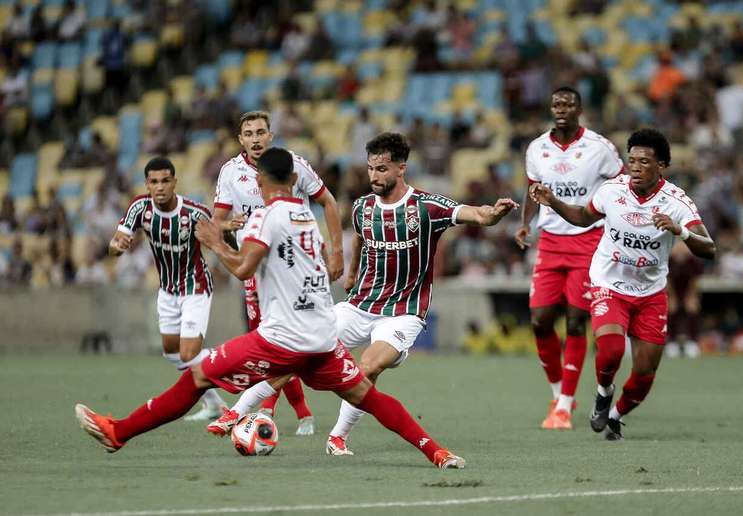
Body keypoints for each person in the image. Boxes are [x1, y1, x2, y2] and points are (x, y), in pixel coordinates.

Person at [75, 148, 465, 470]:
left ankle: (119, 432)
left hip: (284, 337)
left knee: (197, 377)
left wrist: (214, 241)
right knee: (368, 395)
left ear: (260, 182)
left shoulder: (266, 215)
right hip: (322, 337)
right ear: (294, 182)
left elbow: (244, 267)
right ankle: (437, 452)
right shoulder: (304, 217)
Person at [212, 132, 517, 456]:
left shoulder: (425, 206)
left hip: (404, 311)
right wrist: (353, 272)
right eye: (371, 169)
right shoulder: (362, 207)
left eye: (382, 169)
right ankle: (236, 412)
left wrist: (492, 214)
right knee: (296, 352)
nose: (374, 176)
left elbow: (474, 214)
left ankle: (337, 437)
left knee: (368, 366)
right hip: (359, 306)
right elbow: (358, 238)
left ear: (401, 168)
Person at [529, 128, 716, 440]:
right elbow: (582, 217)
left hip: (651, 293)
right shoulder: (612, 190)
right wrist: (553, 201)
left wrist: (680, 230)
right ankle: (604, 392)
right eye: (632, 161)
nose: (636, 167)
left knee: (644, 373)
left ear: (661, 167)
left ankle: (615, 415)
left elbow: (708, 248)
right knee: (612, 350)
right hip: (609, 284)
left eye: (644, 162)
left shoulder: (676, 202)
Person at [212, 111, 344, 435]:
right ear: (240, 139)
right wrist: (229, 226)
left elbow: (328, 201)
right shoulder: (230, 172)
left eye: (260, 132)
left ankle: (266, 411)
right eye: (249, 133)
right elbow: (218, 222)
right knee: (270, 342)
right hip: (256, 270)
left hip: (293, 270)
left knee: (281, 343)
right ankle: (300, 411)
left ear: (270, 135)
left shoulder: (293, 165)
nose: (255, 138)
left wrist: (337, 251)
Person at [515, 86, 624, 430]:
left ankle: (563, 406)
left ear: (579, 108)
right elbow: (534, 188)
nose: (561, 108)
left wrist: (613, 220)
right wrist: (525, 224)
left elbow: (622, 185)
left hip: (588, 240)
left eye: (568, 104)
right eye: (556, 103)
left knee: (576, 321)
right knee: (539, 320)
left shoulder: (600, 148)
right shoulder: (537, 149)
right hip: (550, 242)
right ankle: (559, 393)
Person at [108, 157, 227, 421]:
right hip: (167, 291)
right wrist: (117, 246)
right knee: (173, 353)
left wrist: (229, 231)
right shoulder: (139, 207)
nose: (160, 187)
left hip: (195, 287)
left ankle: (238, 358)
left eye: (165, 181)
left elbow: (219, 236)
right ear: (147, 184)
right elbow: (115, 243)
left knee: (188, 353)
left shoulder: (194, 212)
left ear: (175, 182)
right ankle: (214, 404)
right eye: (154, 182)